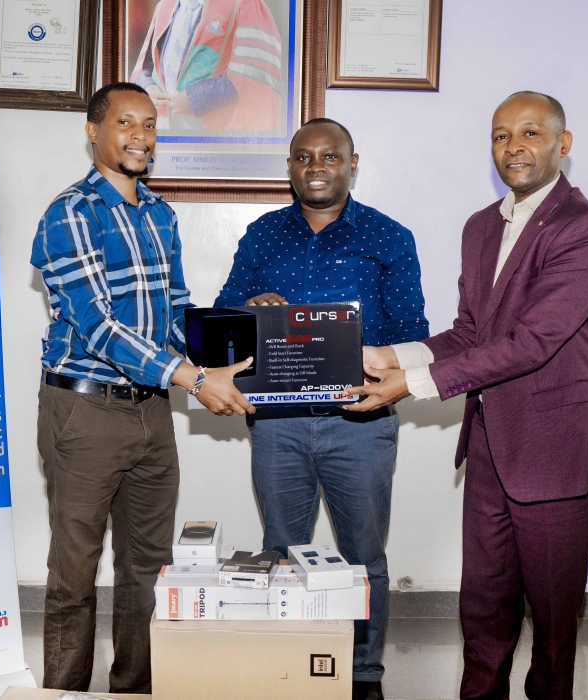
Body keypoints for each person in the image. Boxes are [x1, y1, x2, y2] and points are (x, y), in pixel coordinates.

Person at [348, 92, 588, 700]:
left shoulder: (586, 229)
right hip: (492, 447)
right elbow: (471, 332)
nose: (514, 147)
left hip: (557, 449)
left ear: (563, 144)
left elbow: (533, 342)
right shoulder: (480, 226)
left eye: (530, 133)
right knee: (482, 607)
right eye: (501, 135)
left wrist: (412, 385)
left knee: (553, 620)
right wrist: (390, 356)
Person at [31, 82, 254, 693]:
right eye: (126, 123)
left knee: (148, 570)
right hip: (84, 410)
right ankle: (65, 692)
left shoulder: (160, 213)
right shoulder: (70, 213)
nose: (140, 136)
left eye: (150, 125)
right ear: (94, 131)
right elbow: (98, 326)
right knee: (73, 576)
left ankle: (134, 689)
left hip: (152, 412)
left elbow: (177, 310)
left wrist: (238, 356)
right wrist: (192, 379)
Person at [213, 118, 429, 700]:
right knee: (282, 549)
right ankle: (290, 664)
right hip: (277, 424)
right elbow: (222, 323)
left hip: (359, 421)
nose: (316, 166)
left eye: (329, 156)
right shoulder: (262, 235)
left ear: (351, 164)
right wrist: (247, 308)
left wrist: (376, 365)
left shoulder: (389, 238)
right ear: (290, 167)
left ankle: (363, 676)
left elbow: (414, 334)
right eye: (303, 157)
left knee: (363, 554)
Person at [129, 0, 284, 131]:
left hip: (214, 142)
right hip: (163, 138)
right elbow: (146, 63)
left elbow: (254, 79)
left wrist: (196, 98)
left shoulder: (246, 5)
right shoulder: (165, 5)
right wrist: (147, 87)